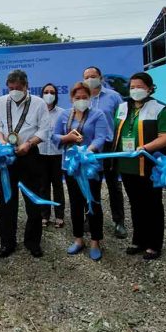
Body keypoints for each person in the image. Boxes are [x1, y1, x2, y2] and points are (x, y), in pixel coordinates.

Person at [113, 73, 166, 260]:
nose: (135, 90)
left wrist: (145, 148)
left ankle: (154, 244)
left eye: (139, 87)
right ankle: (138, 240)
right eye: (132, 87)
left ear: (149, 88)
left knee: (152, 204)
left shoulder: (160, 109)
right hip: (127, 165)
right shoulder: (122, 107)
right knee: (135, 203)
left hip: (149, 164)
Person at [0, 69, 51, 258]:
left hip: (29, 154)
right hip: (6, 155)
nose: (15, 91)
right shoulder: (1, 102)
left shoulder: (39, 103)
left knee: (32, 200)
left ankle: (33, 242)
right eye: (11, 88)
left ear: (26, 86)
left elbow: (45, 129)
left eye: (18, 88)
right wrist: (1, 140)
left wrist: (29, 143)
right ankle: (7, 242)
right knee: (7, 200)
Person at [52, 82, 108, 260]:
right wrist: (65, 137)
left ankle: (95, 241)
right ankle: (78, 239)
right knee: (75, 203)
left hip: (91, 166)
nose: (81, 101)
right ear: (71, 99)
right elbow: (54, 136)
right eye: (78, 98)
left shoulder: (97, 115)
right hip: (71, 166)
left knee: (93, 202)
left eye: (85, 97)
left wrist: (88, 151)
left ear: (89, 98)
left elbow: (101, 137)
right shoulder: (64, 114)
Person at [83, 66, 126, 238]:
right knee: (90, 186)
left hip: (109, 147)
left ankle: (119, 221)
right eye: (87, 77)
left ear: (101, 78)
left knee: (113, 185)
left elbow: (122, 121)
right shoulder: (82, 98)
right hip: (89, 149)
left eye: (93, 76)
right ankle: (90, 216)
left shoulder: (114, 97)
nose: (90, 79)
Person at [39, 83, 66, 228]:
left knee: (57, 186)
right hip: (41, 154)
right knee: (43, 186)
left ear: (56, 95)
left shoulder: (62, 113)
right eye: (46, 92)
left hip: (57, 154)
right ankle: (44, 215)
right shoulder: (37, 111)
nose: (49, 94)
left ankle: (59, 215)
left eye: (52, 92)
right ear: (42, 94)